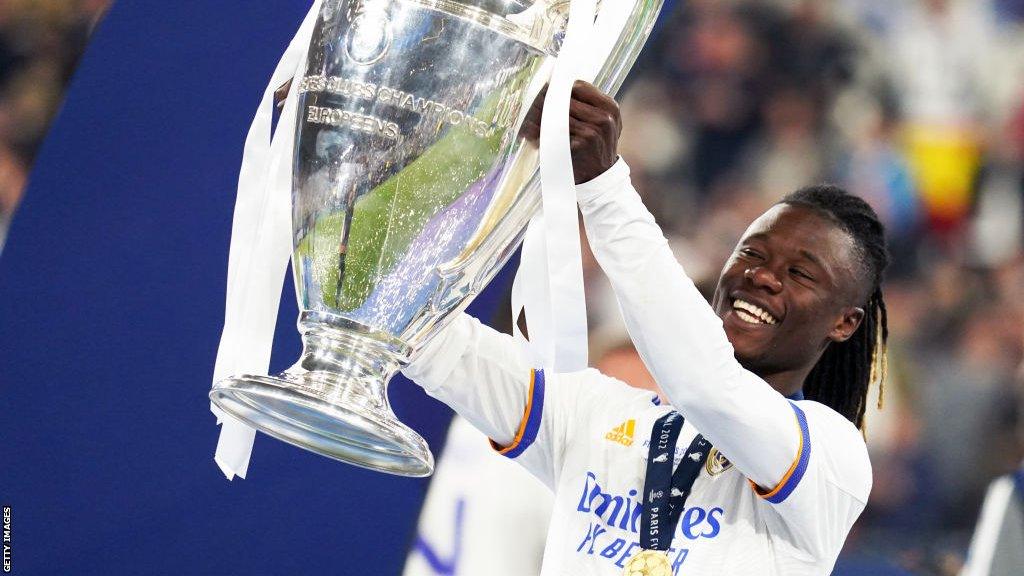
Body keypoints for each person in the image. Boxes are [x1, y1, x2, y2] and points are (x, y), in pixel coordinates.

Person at [402, 81, 889, 575]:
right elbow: (433, 342)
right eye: (751, 253)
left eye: (800, 274)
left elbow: (707, 386)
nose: (762, 276)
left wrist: (604, 189)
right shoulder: (594, 414)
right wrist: (472, 148)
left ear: (844, 323)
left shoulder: (832, 459)